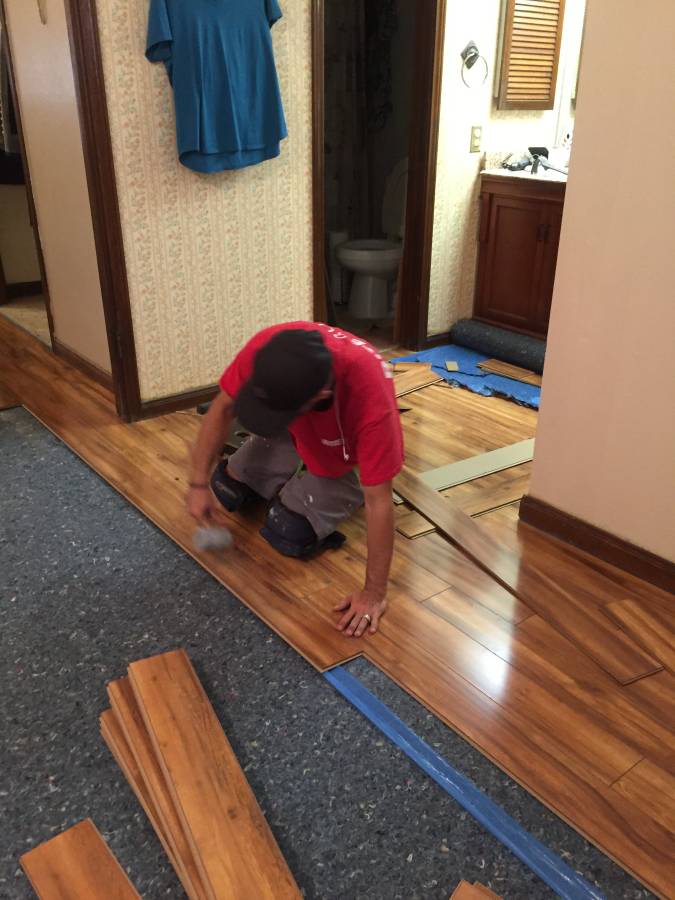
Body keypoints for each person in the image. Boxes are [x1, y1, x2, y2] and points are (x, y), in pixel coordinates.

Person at [187, 322, 404, 638]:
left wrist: (373, 593)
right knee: (226, 486)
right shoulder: (269, 350)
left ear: (321, 394)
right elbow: (222, 409)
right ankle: (292, 463)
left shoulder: (370, 395)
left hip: (345, 449)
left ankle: (345, 487)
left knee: (289, 530)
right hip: (296, 426)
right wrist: (197, 484)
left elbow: (380, 500)